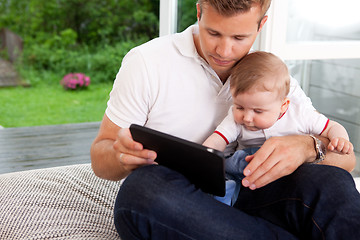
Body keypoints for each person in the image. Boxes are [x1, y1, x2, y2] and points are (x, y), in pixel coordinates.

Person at [90, 0, 360, 239]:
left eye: (240, 37)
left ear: (261, 24)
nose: (224, 50)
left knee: (331, 184)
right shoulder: (147, 62)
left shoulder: (269, 75)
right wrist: (121, 156)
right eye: (213, 33)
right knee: (143, 191)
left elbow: (347, 162)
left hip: (250, 191)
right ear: (199, 11)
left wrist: (307, 147)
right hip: (182, 200)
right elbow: (101, 158)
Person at [203, 51, 353, 205]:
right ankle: (225, 192)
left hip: (288, 169)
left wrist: (340, 140)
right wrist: (203, 155)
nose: (246, 118)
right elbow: (218, 139)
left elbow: (332, 126)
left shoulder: (300, 114)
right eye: (240, 107)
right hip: (247, 171)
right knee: (231, 163)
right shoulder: (236, 117)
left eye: (258, 111)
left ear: (283, 106)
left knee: (250, 157)